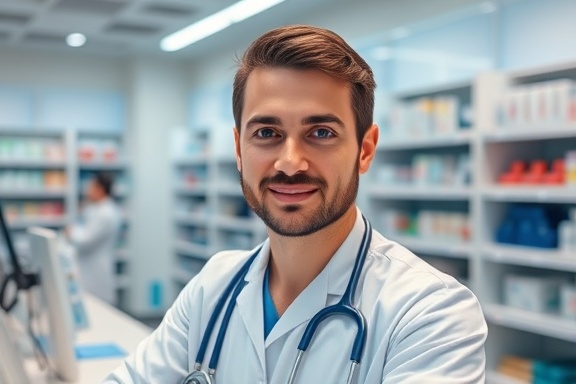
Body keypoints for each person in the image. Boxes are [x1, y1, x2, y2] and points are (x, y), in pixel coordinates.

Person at [105, 25, 487, 383]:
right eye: (267, 132)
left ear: (365, 150)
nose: (290, 162)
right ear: (239, 149)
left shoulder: (431, 313)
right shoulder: (214, 286)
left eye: (321, 132)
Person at [66, 172, 121, 304]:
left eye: (91, 187)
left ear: (100, 189)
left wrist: (71, 233)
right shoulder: (95, 209)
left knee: (99, 308)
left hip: (96, 270)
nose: (88, 191)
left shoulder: (106, 213)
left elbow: (85, 240)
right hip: (87, 268)